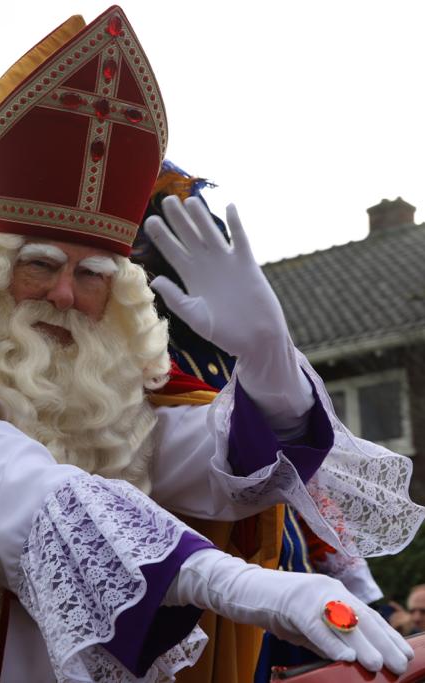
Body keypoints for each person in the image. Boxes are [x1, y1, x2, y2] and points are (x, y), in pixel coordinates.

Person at [0, 7, 425, 682]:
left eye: (91, 275)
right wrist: (246, 586)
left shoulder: (101, 385)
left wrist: (269, 359)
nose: (65, 296)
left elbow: (217, 460)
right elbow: (36, 502)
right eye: (41, 265)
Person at [138, 163, 389, 683]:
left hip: (296, 576)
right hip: (211, 597)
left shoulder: (232, 353)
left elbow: (308, 482)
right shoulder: (143, 361)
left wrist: (359, 585)